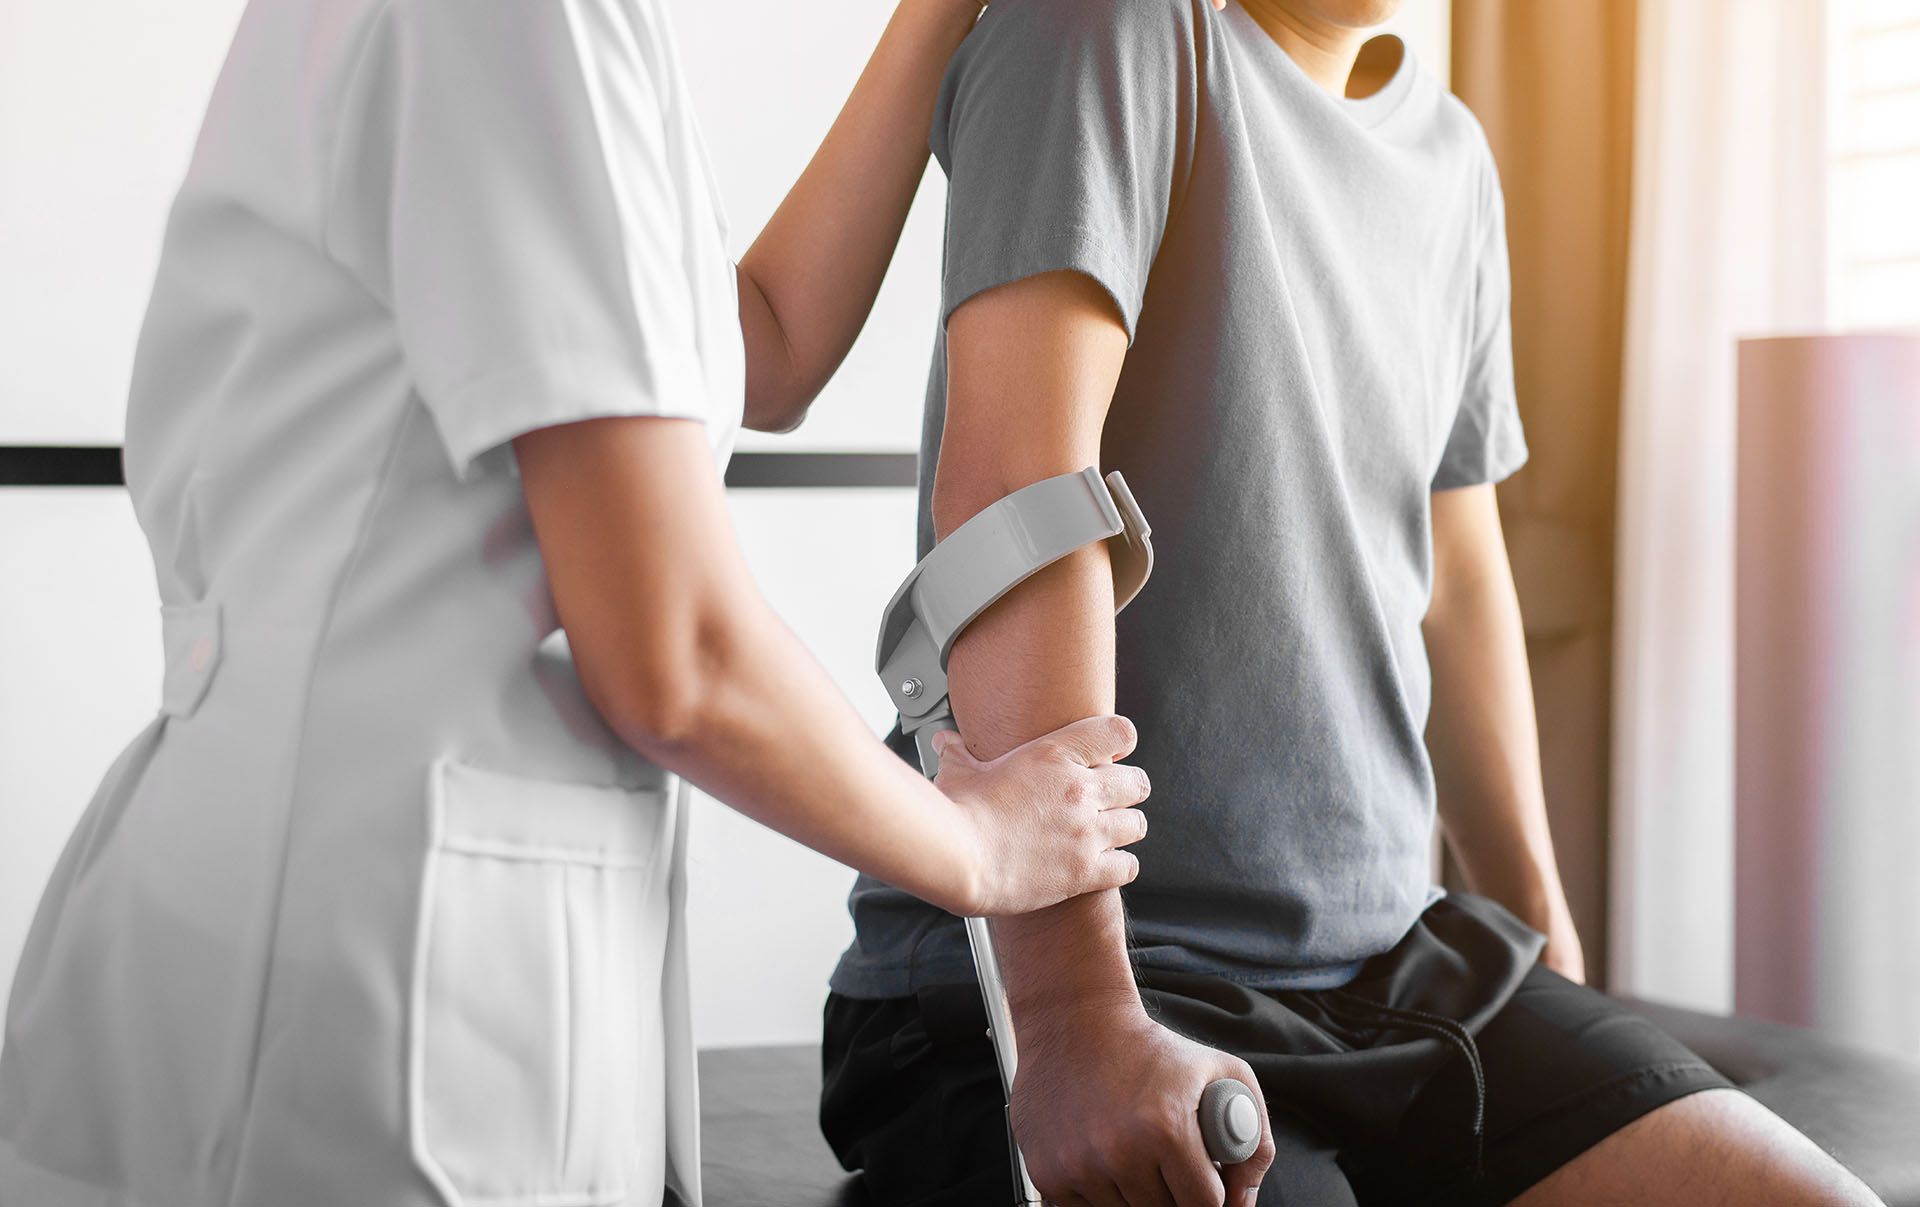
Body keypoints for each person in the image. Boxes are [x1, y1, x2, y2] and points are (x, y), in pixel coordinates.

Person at [0, 1, 1165, 1205]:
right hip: (351, 982)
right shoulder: (514, 23)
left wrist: (937, 16)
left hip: (419, 951)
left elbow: (763, 341)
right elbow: (675, 650)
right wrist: (976, 846)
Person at [820, 1, 1888, 1204]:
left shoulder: (1452, 159)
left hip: (1400, 963)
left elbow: (1457, 567)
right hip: (1081, 970)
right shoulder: (1107, 27)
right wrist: (1070, 1010)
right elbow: (1019, 489)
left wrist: (1539, 917)